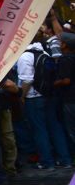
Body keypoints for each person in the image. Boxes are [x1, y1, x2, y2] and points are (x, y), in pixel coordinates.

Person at [17, 30, 71, 169]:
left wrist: (21, 97)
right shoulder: (44, 53)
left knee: (39, 129)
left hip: (34, 98)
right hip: (49, 96)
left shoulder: (25, 57)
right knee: (55, 127)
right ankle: (65, 159)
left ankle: (47, 161)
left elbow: (27, 80)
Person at [56, 32, 75, 157]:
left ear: (65, 45)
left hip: (70, 99)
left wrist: (55, 83)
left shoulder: (65, 59)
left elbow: (66, 80)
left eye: (60, 42)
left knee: (72, 130)